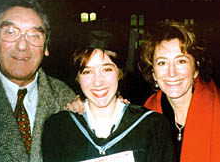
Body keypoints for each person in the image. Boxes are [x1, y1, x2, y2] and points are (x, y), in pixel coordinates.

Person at [42, 31, 175, 162]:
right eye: (87, 72)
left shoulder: (152, 126)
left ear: (119, 73)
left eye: (107, 69)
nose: (98, 81)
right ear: (78, 78)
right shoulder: (58, 128)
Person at [0, 0, 75, 161]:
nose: (22, 45)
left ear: (46, 47)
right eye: (10, 32)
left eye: (34, 35)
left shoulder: (65, 99)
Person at [138, 21, 220, 162]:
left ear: (196, 69)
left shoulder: (217, 108)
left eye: (181, 61)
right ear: (153, 73)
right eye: (162, 63)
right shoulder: (146, 113)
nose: (172, 73)